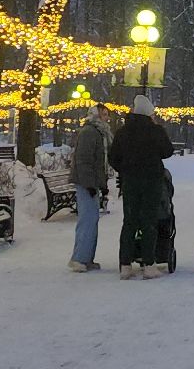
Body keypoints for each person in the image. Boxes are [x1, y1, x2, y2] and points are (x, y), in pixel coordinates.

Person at [109, 95, 174, 279]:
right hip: (151, 182)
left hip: (130, 182)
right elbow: (167, 151)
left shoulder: (123, 132)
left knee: (129, 221)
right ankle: (148, 263)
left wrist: (125, 170)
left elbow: (113, 157)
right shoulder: (155, 131)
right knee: (149, 221)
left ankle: (125, 264)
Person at [67, 105, 114, 272]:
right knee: (87, 220)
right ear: (96, 116)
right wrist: (89, 185)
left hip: (91, 182)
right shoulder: (89, 133)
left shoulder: (98, 133)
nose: (107, 118)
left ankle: (86, 258)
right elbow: (84, 160)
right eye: (104, 115)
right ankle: (79, 258)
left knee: (91, 220)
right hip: (86, 183)